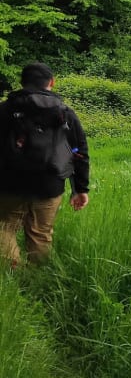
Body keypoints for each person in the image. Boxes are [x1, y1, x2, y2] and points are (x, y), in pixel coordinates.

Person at [0, 63, 90, 267]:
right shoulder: (65, 113)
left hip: (9, 185)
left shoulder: (4, 110)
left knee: (4, 228)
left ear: (22, 83)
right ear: (52, 82)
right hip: (49, 185)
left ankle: (12, 274)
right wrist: (80, 188)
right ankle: (38, 277)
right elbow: (79, 151)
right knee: (41, 233)